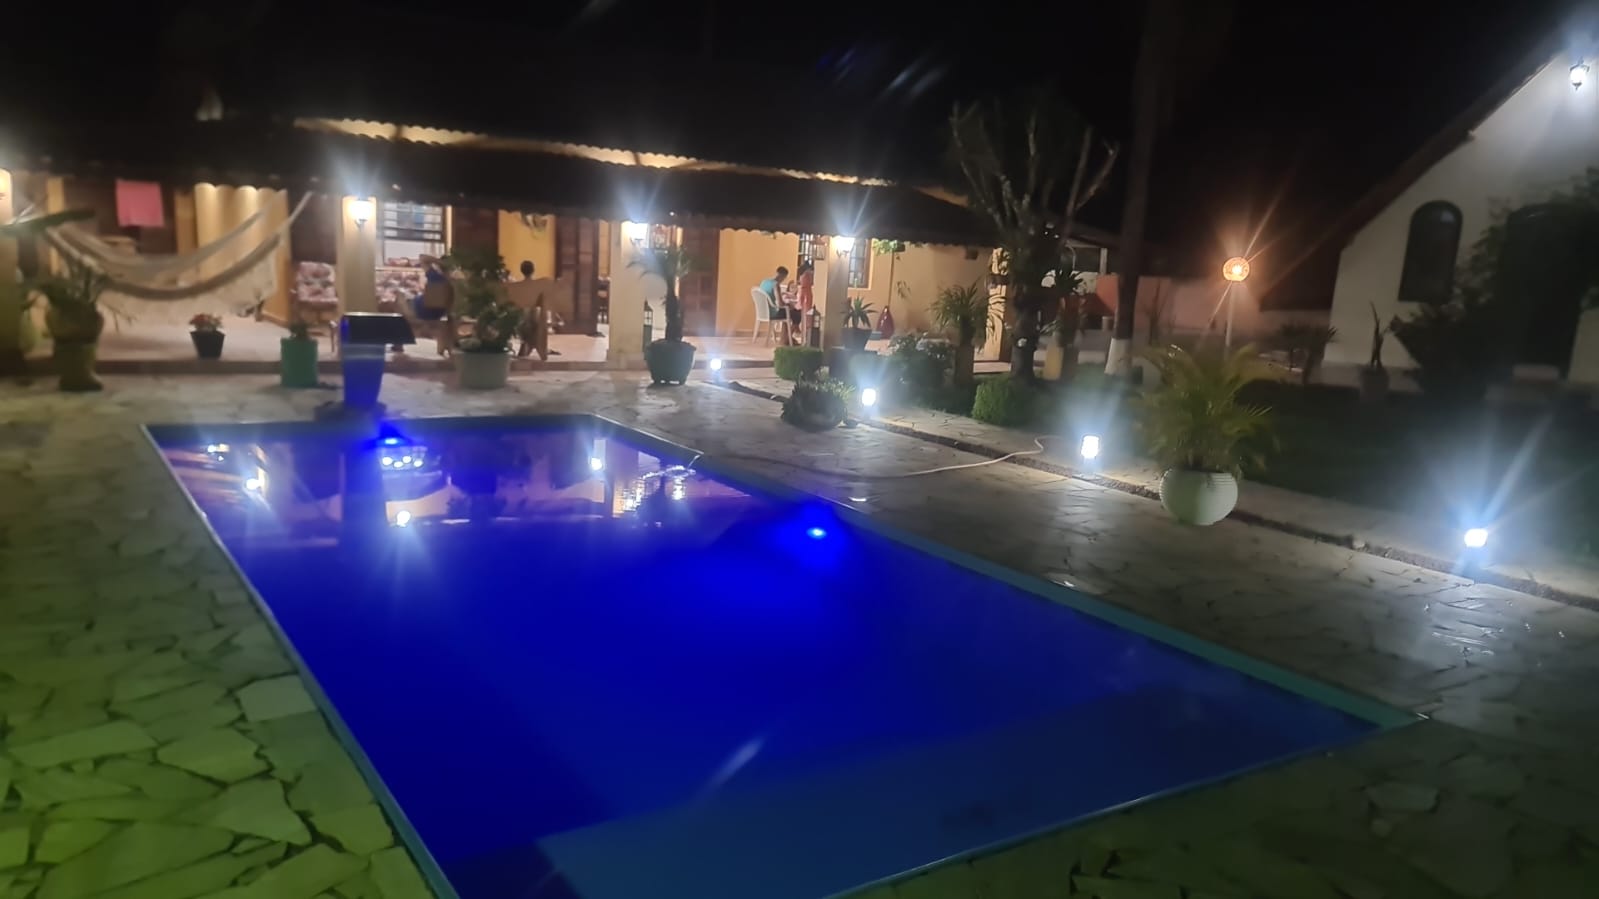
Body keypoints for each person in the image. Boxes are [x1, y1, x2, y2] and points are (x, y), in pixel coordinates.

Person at [758, 266, 794, 345]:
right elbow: (780, 304)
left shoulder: (764, 282)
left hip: (762, 312)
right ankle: (784, 339)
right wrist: (789, 305)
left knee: (786, 311)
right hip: (772, 313)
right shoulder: (776, 285)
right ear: (783, 276)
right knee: (790, 312)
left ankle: (786, 338)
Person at [794, 261, 815, 345]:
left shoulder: (802, 274)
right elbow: (811, 282)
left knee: (805, 313)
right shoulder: (808, 273)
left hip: (804, 293)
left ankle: (804, 333)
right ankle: (805, 333)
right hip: (806, 293)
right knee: (807, 313)